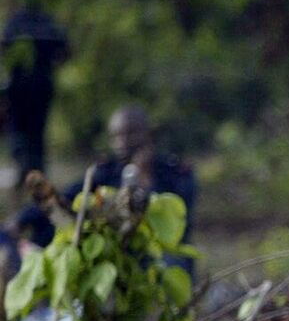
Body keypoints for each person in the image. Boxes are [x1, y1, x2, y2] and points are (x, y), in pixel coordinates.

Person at [16, 105, 197, 272]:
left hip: (155, 253)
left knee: (171, 261)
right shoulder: (107, 171)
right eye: (116, 136)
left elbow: (180, 217)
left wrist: (143, 178)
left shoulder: (175, 173)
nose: (122, 142)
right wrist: (21, 220)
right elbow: (68, 196)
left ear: (148, 135)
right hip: (116, 255)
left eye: (130, 134)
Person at [2, 0, 68, 182]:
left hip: (18, 87)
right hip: (42, 85)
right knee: (37, 131)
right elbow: (65, 52)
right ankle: (35, 170)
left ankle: (26, 167)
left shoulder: (13, 24)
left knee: (17, 129)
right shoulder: (49, 23)